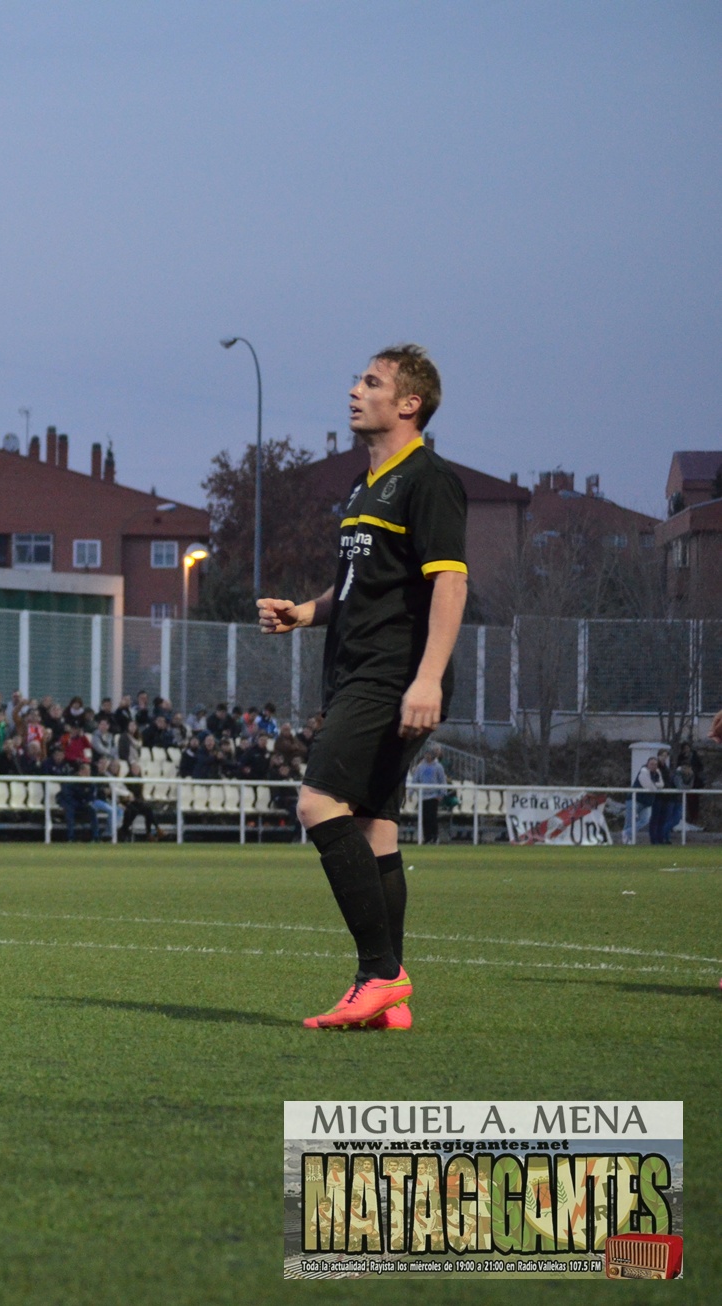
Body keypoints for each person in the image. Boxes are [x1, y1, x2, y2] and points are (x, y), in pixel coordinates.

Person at [258, 344, 464, 1033]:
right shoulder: (363, 486)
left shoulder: (426, 479)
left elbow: (449, 581)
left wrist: (428, 677)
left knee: (317, 803)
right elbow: (355, 588)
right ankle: (385, 999)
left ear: (408, 403)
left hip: (392, 674)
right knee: (374, 824)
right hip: (358, 669)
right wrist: (304, 612)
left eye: (370, 382)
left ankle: (379, 972)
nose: (353, 390)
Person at [410, 747, 448, 844]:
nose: (427, 756)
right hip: (423, 796)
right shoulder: (420, 767)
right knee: (425, 818)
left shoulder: (438, 767)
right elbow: (415, 779)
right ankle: (427, 837)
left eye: (429, 754)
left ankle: (434, 836)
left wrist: (442, 794)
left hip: (434, 796)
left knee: (432, 817)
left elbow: (442, 781)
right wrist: (411, 792)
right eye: (426, 754)